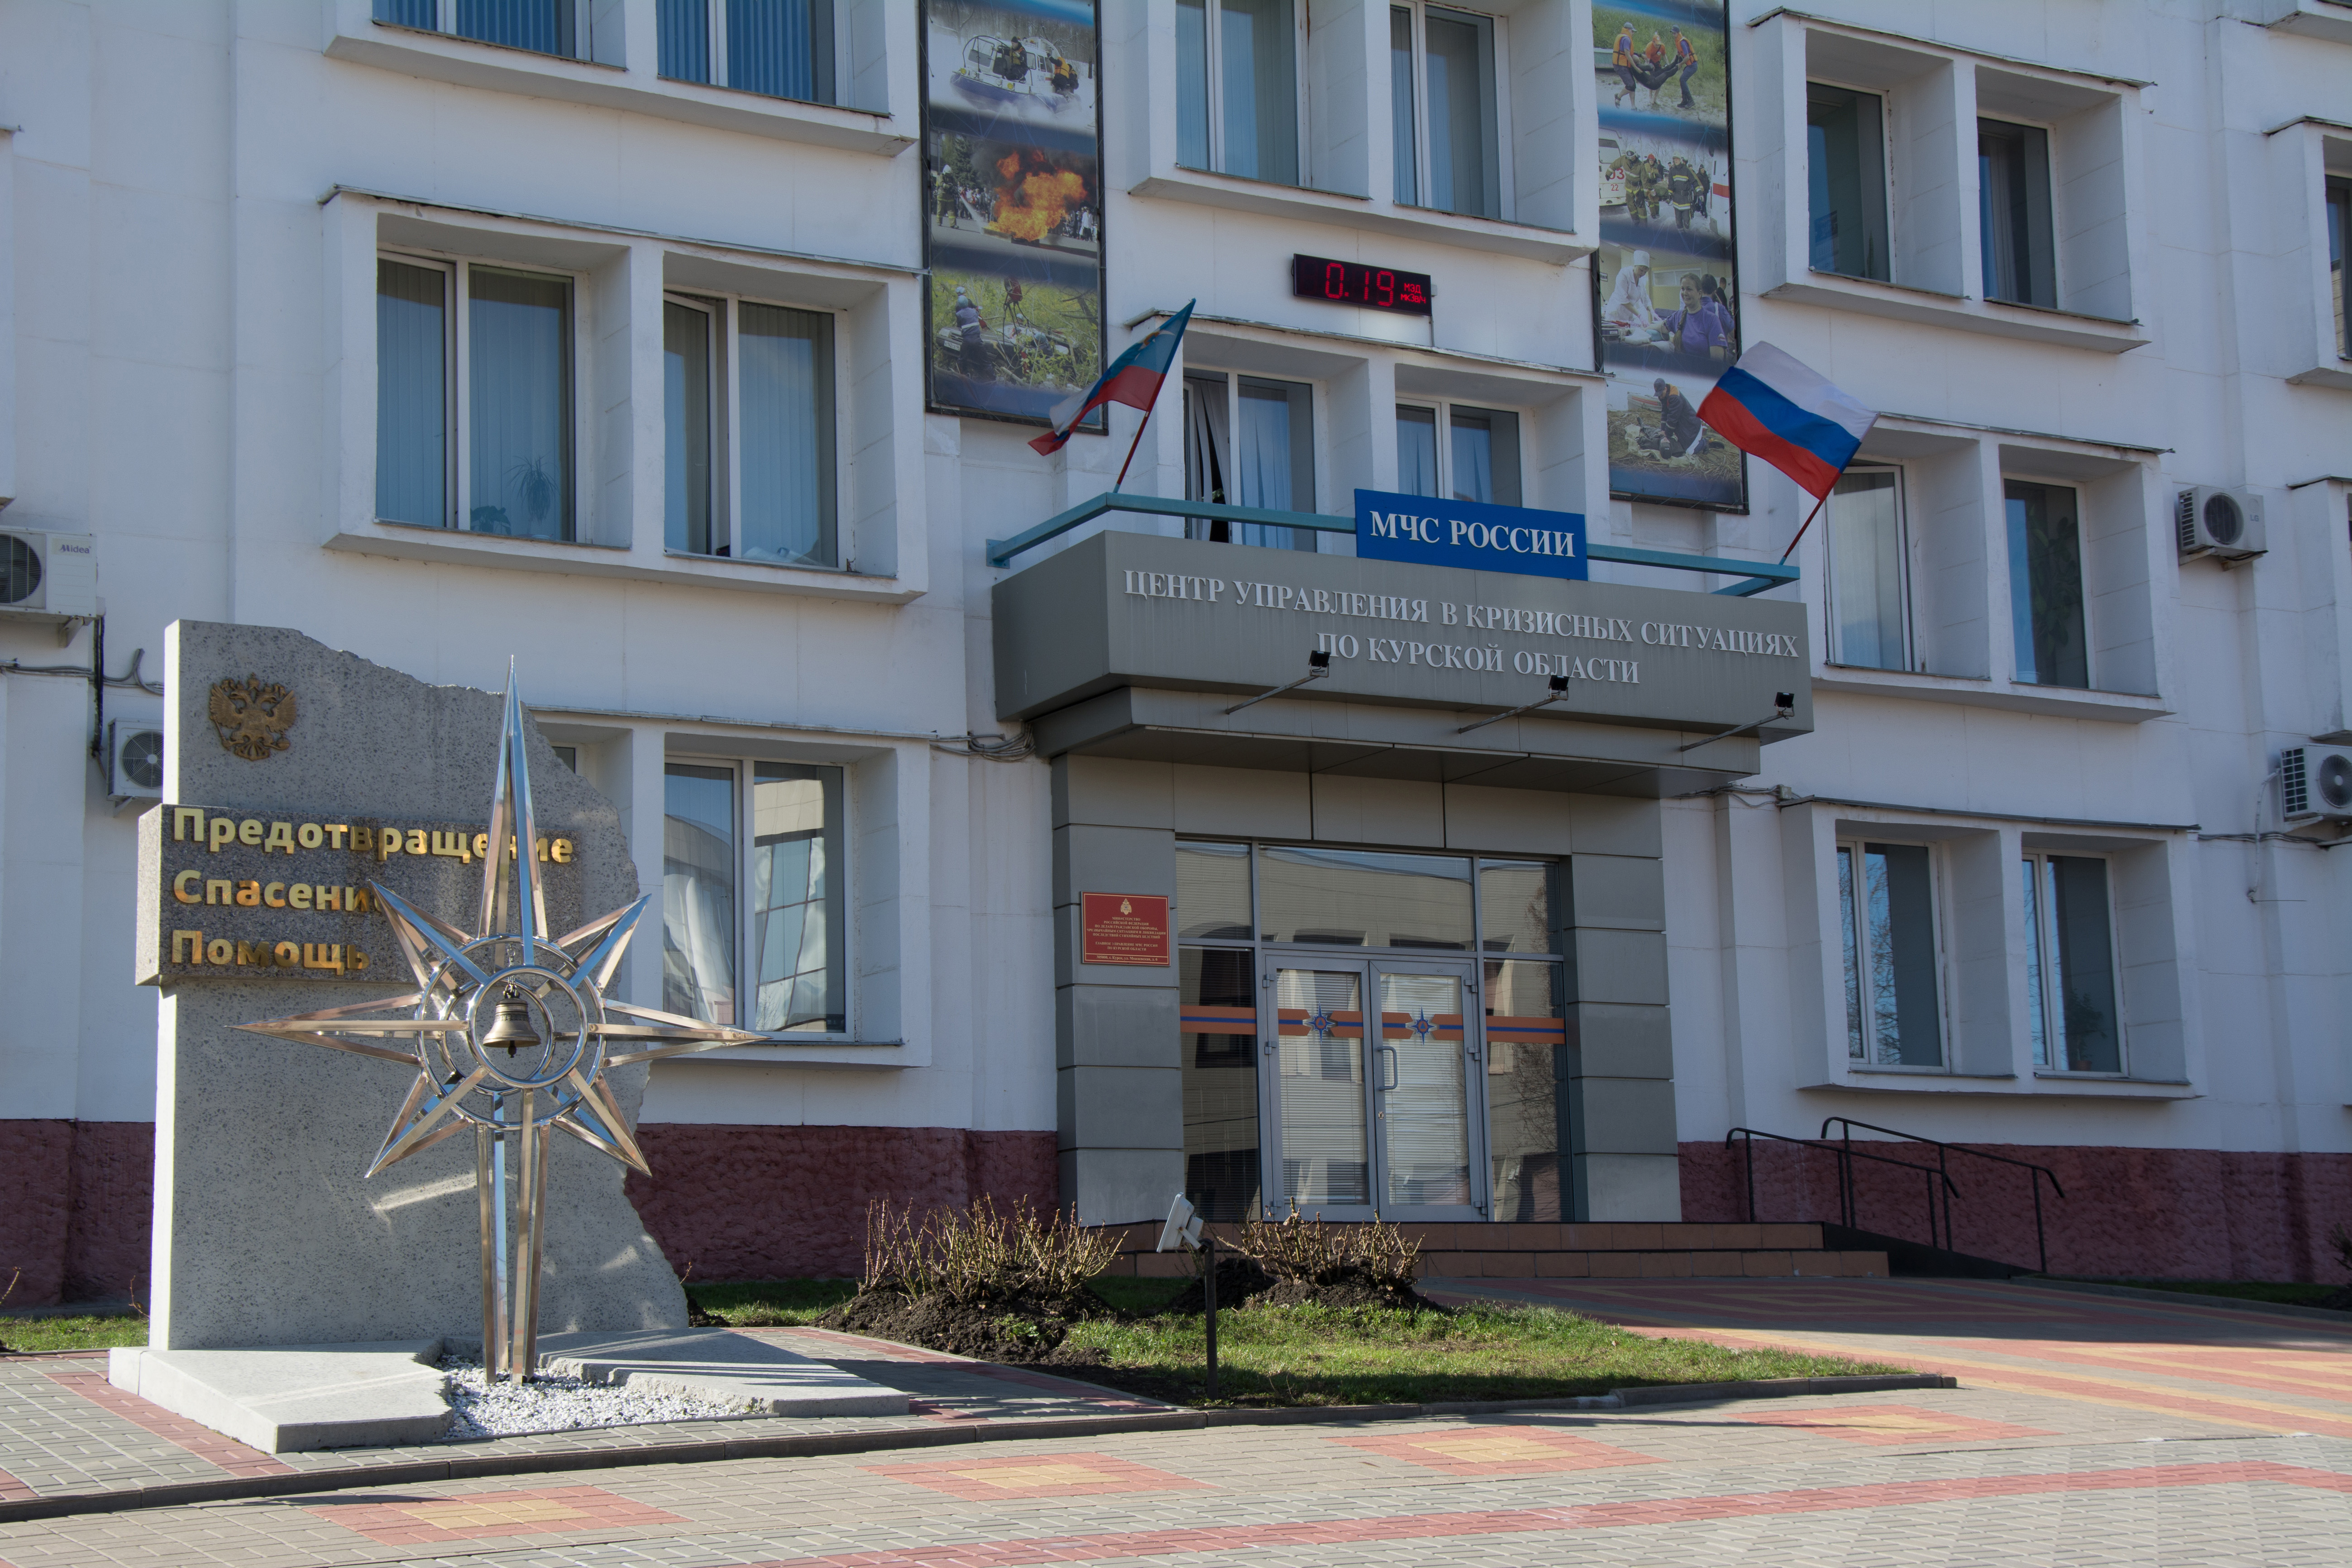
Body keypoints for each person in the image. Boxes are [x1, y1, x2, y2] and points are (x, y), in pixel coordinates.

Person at [1659, 272, 1735, 360]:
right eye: (1683, 289)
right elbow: (1734, 334)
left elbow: (1717, 363)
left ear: (1700, 293)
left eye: (1689, 289)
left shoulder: (1711, 319)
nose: (1685, 293)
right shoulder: (1718, 310)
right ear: (1715, 292)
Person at [1601, 249, 1658, 335]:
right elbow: (1623, 300)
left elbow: (1646, 298)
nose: (1643, 274)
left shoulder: (1641, 281)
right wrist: (1640, 316)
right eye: (1641, 270)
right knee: (1617, 335)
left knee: (1628, 335)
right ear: (1635, 265)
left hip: (1628, 314)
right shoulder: (1624, 274)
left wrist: (1652, 312)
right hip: (1616, 313)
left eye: (1645, 272)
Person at [1649, 378, 1705, 457]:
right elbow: (1664, 414)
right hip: (1683, 423)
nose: (1660, 397)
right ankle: (1697, 441)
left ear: (1665, 389)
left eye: (1661, 394)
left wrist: (1667, 435)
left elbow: (1673, 419)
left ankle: (1704, 443)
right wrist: (1663, 430)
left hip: (1692, 424)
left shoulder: (1675, 398)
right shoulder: (1665, 396)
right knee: (1683, 444)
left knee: (1689, 451)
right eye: (1659, 394)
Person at [952, 285, 992, 381]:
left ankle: (961, 377)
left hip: (967, 339)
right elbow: (975, 311)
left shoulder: (959, 311)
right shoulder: (973, 311)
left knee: (962, 359)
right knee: (986, 362)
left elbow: (960, 324)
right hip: (976, 338)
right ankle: (993, 379)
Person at [1611, 23, 1640, 107]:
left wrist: (1641, 55)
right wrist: (1636, 68)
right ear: (1628, 30)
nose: (1633, 33)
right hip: (1621, 66)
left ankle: (1633, 107)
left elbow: (1629, 53)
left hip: (1623, 64)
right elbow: (1628, 55)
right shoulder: (1626, 39)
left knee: (1633, 86)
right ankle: (1618, 97)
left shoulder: (1622, 37)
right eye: (1632, 31)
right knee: (1631, 85)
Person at [1672, 28, 1700, 110]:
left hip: (1693, 66)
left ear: (1678, 33)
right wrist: (1672, 63)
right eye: (1672, 33)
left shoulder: (1683, 43)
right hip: (1689, 65)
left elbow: (1687, 57)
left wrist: (1680, 64)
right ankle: (1684, 101)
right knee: (1682, 80)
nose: (1673, 35)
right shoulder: (1678, 42)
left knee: (1683, 80)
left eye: (1674, 33)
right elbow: (1678, 54)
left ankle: (1691, 101)